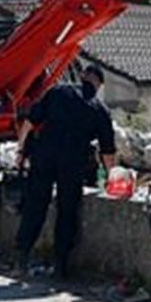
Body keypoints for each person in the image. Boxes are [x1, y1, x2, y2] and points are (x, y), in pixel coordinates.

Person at [13, 64, 117, 280]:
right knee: (67, 211)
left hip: (44, 157)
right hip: (73, 163)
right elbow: (108, 152)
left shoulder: (58, 92)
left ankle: (21, 258)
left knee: (35, 205)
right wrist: (111, 177)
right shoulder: (99, 109)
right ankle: (60, 265)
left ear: (83, 77)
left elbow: (29, 122)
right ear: (98, 84)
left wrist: (21, 150)